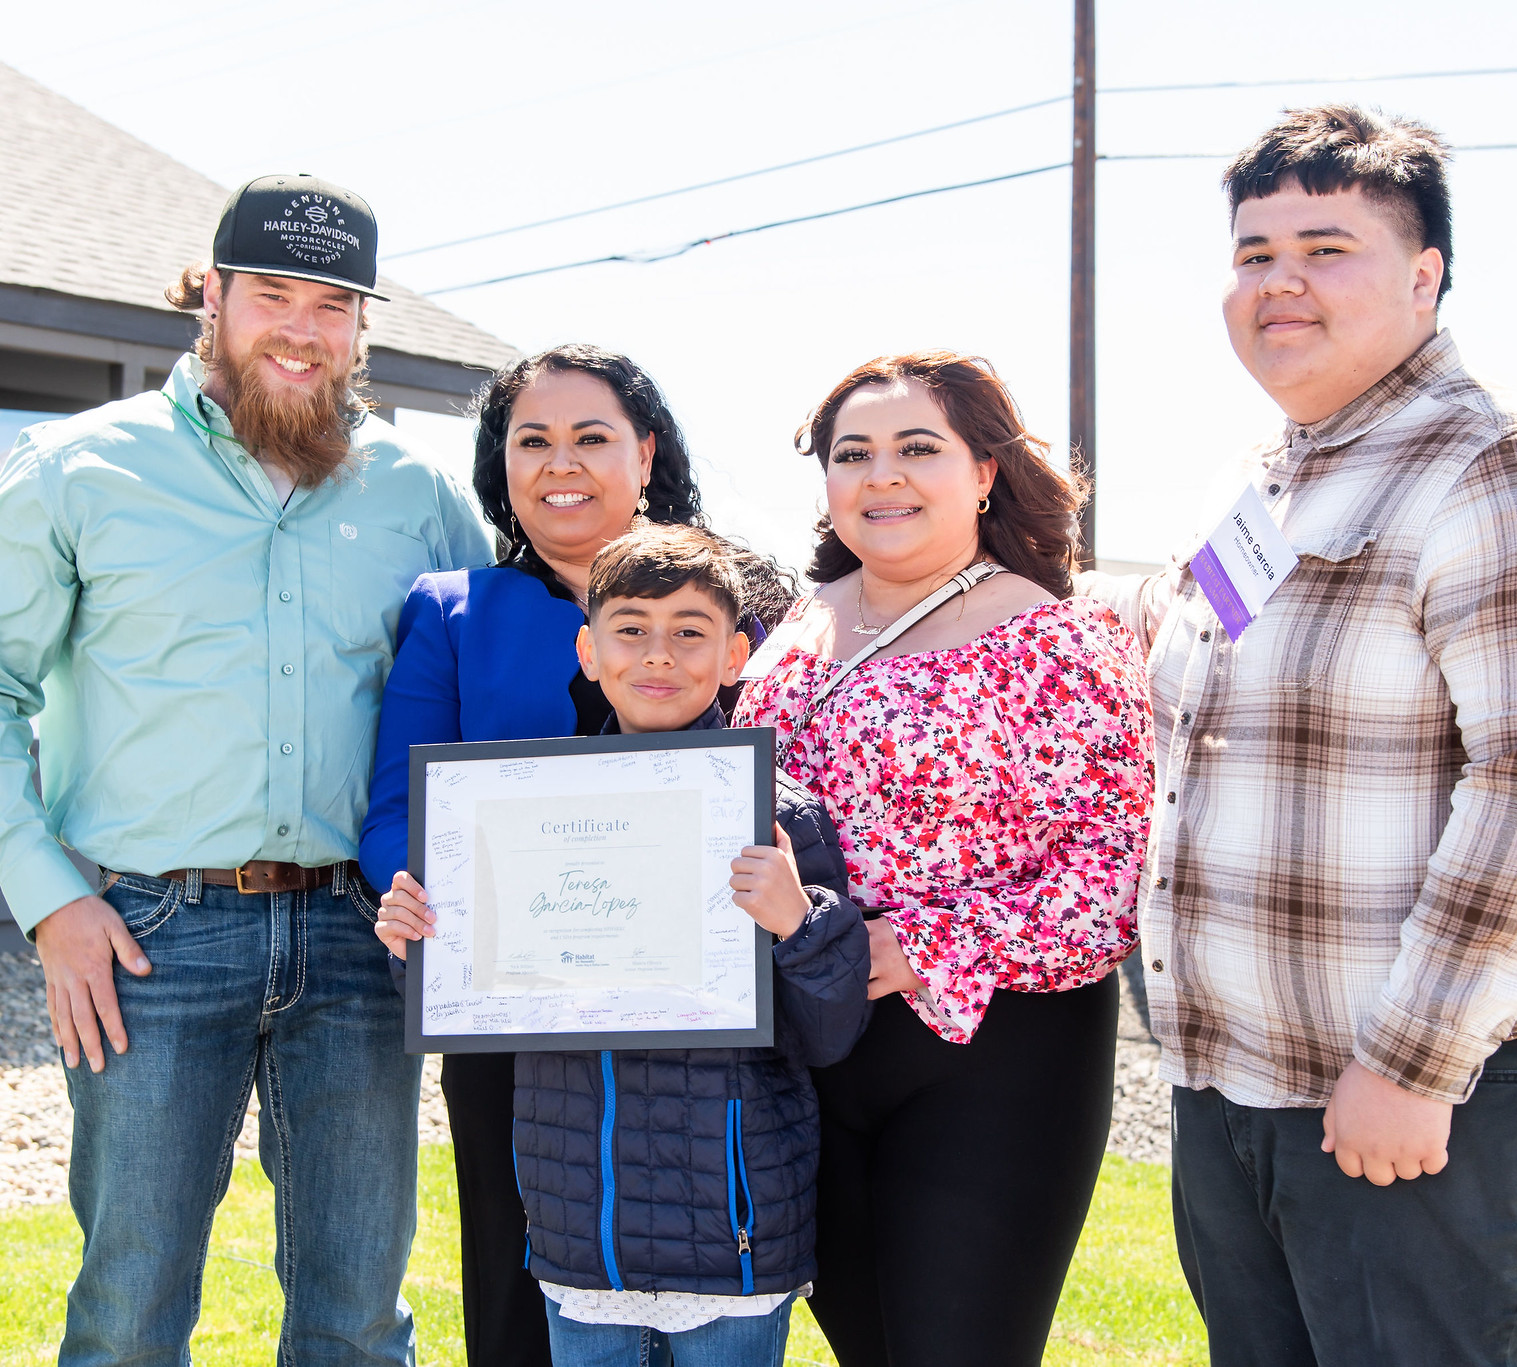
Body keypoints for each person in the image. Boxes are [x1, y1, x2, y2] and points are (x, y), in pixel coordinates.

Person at [1084, 105, 1517, 1366]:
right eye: (1250, 253)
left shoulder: (1502, 465)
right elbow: (1181, 664)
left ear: (1425, 274)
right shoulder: (1266, 480)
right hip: (1241, 1087)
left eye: (1323, 247)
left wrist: (1412, 1062)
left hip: (1432, 1093)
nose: (1276, 282)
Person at [0, 175, 492, 1364]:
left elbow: (479, 700)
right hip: (148, 935)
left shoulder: (418, 494)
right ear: (210, 298)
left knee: (357, 1313)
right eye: (271, 293)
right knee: (128, 1307)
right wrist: (49, 898)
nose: (301, 327)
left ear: (362, 329)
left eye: (333, 304)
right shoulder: (77, 470)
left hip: (360, 936)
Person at [359, 344, 790, 1367]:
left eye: (591, 436)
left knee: (709, 1263)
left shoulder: (736, 605)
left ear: (644, 453)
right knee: (514, 1276)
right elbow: (391, 814)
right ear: (497, 465)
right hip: (509, 1007)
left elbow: (785, 790)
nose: (562, 461)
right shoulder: (450, 608)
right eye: (532, 439)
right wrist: (423, 897)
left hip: (703, 1013)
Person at [732, 352, 1154, 1366]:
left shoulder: (1059, 641)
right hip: (806, 1047)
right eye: (852, 453)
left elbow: (1106, 884)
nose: (882, 476)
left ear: (983, 472)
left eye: (917, 448)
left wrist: (916, 943)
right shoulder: (790, 630)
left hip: (990, 1051)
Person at [375, 523, 873, 1367]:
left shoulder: (775, 820)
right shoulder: (522, 812)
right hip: (580, 1240)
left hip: (734, 1240)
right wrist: (416, 944)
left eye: (689, 632)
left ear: (735, 655)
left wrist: (801, 920)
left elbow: (828, 1035)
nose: (658, 655)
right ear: (589, 648)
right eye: (631, 629)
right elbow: (475, 1007)